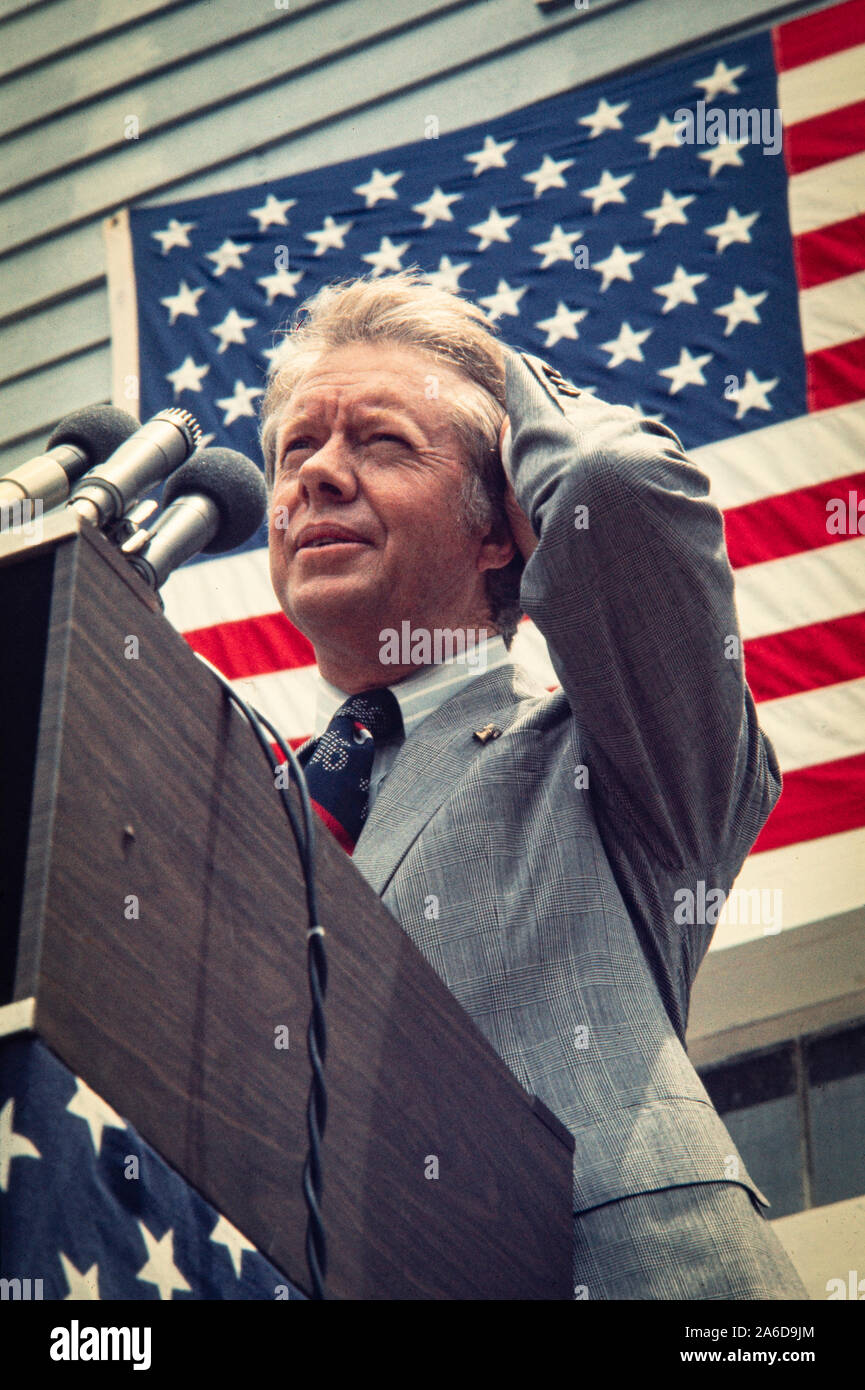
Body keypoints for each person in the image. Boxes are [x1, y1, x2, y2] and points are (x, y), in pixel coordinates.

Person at [260, 270, 807, 1300]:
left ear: (501, 520)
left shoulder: (611, 753)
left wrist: (482, 368)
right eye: (297, 448)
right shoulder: (250, 814)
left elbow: (609, 483)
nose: (317, 477)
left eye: (379, 440)